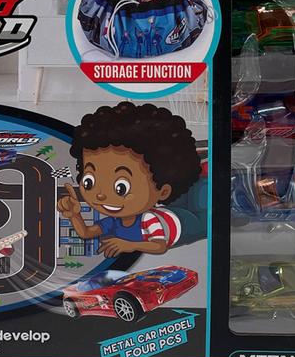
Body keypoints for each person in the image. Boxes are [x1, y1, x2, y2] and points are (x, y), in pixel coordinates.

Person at [56, 102, 202, 257]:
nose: (100, 195)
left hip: (187, 221)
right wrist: (74, 215)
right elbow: (86, 233)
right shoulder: (114, 221)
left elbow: (159, 246)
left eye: (121, 187)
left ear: (163, 191)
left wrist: (129, 245)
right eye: (89, 182)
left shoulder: (149, 219)